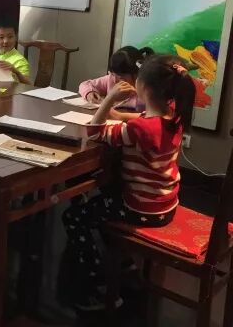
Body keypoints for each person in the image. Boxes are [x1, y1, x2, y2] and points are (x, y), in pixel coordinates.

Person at [61, 55, 196, 311]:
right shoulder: (172, 118)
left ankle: (97, 283)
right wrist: (118, 114)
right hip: (165, 204)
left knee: (74, 216)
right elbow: (141, 119)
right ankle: (124, 264)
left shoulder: (141, 130)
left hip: (141, 208)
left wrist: (108, 100)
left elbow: (95, 131)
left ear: (144, 88)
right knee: (104, 200)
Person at [79, 46, 154, 111]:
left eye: (121, 77)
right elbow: (85, 84)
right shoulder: (111, 79)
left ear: (137, 74)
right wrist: (89, 93)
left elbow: (146, 107)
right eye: (112, 74)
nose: (115, 80)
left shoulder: (146, 88)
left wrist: (112, 99)